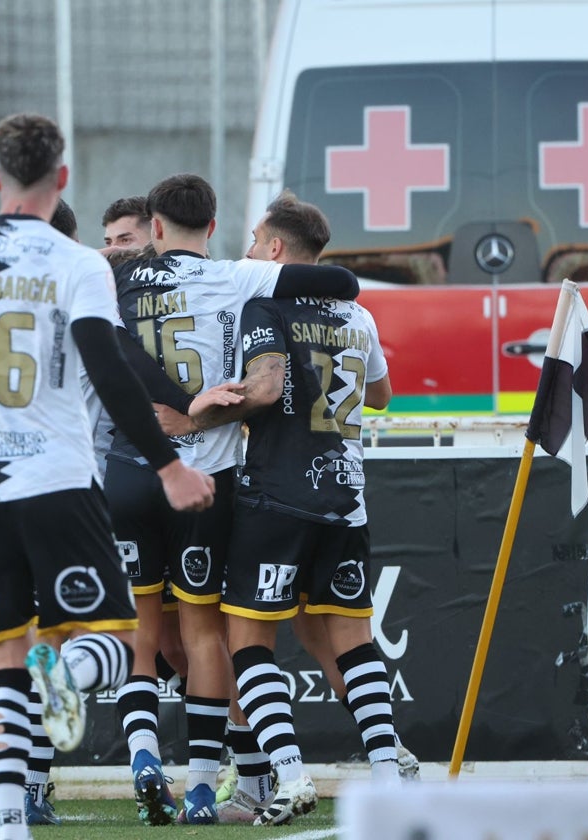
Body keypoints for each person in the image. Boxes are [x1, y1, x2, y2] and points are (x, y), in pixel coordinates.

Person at [0, 112, 216, 840]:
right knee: (109, 640)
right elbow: (108, 368)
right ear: (62, 179)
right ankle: (65, 676)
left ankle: (13, 830)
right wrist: (168, 465)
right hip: (59, 482)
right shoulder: (79, 263)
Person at [104, 174, 360, 825]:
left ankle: (142, 756)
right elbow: (343, 285)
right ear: (213, 228)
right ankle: (198, 786)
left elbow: (115, 350)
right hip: (208, 481)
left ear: (154, 230)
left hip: (134, 471)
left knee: (142, 636)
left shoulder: (119, 279)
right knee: (206, 633)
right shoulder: (239, 275)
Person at [177, 190, 403, 825]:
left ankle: (290, 773)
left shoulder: (264, 302)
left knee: (247, 636)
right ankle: (389, 773)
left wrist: (204, 407)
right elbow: (383, 394)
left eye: (254, 240)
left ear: (276, 249)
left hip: (277, 491)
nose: (248, 250)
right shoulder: (358, 315)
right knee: (353, 640)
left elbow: (265, 387)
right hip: (346, 494)